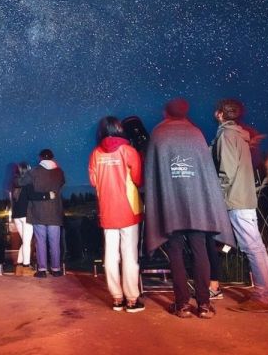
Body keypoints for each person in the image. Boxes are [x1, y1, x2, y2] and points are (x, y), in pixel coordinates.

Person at [144, 98, 235, 319]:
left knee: (174, 252)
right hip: (197, 205)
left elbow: (152, 172)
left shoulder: (158, 134)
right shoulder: (196, 134)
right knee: (200, 250)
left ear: (166, 112)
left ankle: (182, 304)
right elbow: (206, 173)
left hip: (171, 204)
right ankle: (204, 305)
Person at [213, 98, 268, 312]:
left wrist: (219, 197)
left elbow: (227, 171)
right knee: (256, 246)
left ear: (221, 114)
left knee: (252, 247)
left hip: (236, 198)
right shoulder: (240, 136)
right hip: (246, 196)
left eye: (217, 111)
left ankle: (262, 297)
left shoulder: (226, 135)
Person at [89, 116, 144, 312]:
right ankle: (131, 299)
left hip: (107, 210)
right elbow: (138, 179)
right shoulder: (129, 151)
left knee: (111, 255)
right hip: (128, 210)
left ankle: (117, 298)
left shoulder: (95, 153)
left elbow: (94, 181)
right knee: (129, 254)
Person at [18, 149, 65, 278]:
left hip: (38, 211)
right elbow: (61, 184)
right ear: (52, 158)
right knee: (55, 241)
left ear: (40, 158)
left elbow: (21, 182)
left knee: (40, 241)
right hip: (54, 211)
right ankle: (56, 269)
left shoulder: (34, 172)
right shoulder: (59, 172)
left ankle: (42, 269)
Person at [10, 162, 34, 275]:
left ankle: (19, 266)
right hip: (26, 215)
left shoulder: (15, 183)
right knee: (26, 242)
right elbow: (34, 197)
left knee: (25, 241)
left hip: (16, 216)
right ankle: (26, 266)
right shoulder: (28, 183)